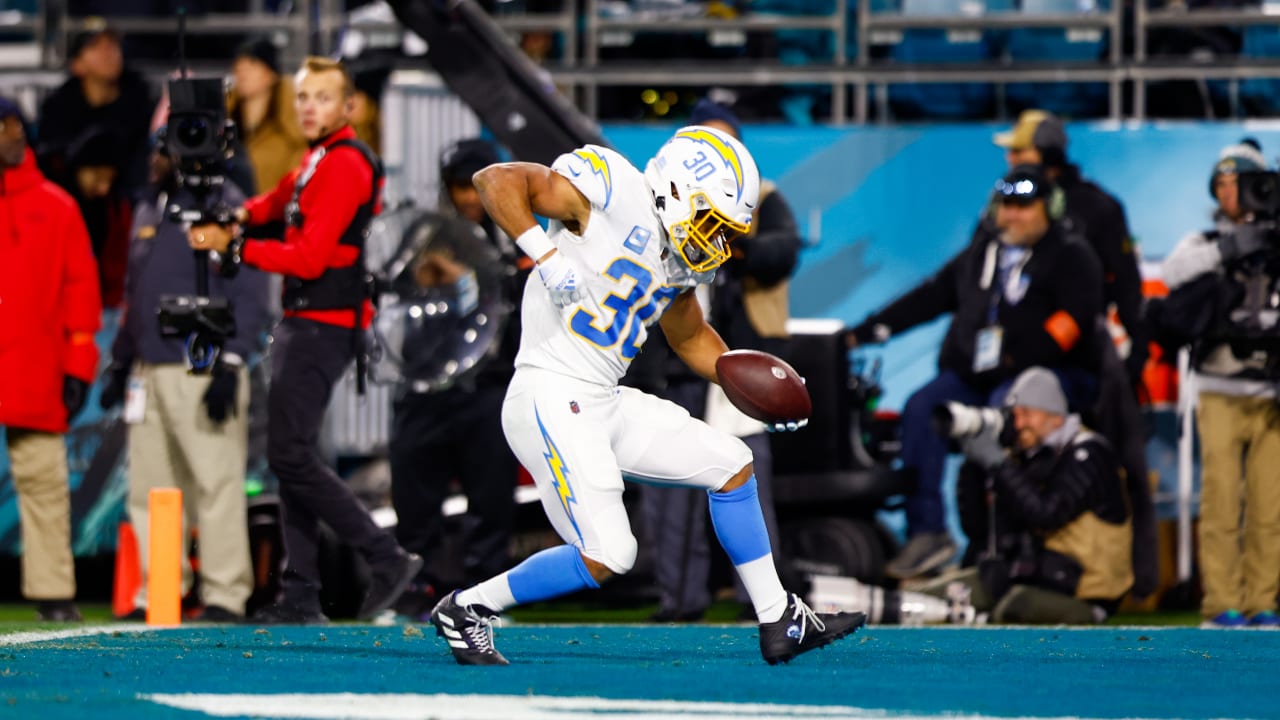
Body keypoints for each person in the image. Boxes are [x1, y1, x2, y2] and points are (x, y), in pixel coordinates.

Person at [427, 125, 865, 666]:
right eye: (712, 221)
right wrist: (543, 253)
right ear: (677, 191)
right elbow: (495, 180)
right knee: (610, 554)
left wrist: (741, 383)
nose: (717, 241)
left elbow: (689, 336)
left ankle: (779, 617)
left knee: (732, 462)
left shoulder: (678, 258)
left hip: (604, 398)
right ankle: (467, 607)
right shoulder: (612, 187)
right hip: (550, 392)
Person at [187, 56, 421, 624]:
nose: (308, 106)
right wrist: (239, 216)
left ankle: (384, 557)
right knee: (293, 458)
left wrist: (236, 247)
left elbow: (311, 256)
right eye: (302, 97)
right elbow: (275, 203)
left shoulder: (343, 164)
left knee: (289, 455)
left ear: (349, 107)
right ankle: (300, 591)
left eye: (321, 96)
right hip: (312, 321)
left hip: (323, 323)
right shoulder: (319, 158)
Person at [846, 164, 1105, 580]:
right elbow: (930, 296)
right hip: (974, 376)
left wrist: (1014, 360)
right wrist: (867, 331)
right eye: (1007, 205)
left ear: (1049, 209)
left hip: (1040, 378)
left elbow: (1070, 327)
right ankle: (928, 533)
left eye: (1024, 206)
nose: (1012, 215)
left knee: (1007, 410)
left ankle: (1001, 542)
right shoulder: (981, 252)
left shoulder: (1073, 256)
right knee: (922, 408)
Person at [640, 98, 802, 622]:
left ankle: (766, 603)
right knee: (670, 492)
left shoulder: (761, 202)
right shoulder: (659, 203)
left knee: (745, 481)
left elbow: (781, 254)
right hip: (678, 365)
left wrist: (727, 234)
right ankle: (678, 599)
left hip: (731, 363)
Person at [99, 132, 271, 623]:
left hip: (203, 364)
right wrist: (120, 359)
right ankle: (159, 591)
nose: (157, 160)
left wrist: (233, 362)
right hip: (148, 368)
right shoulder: (151, 208)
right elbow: (138, 292)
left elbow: (253, 291)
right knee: (152, 486)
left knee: (215, 482)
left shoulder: (228, 208)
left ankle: (224, 594)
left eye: (164, 152)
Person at [389, 138, 526, 617]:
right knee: (415, 495)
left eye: (476, 186)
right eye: (460, 187)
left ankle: (484, 595)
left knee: (491, 495)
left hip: (488, 385)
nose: (470, 198)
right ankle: (415, 590)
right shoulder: (429, 232)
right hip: (428, 384)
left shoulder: (514, 232)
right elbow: (403, 278)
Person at [1156, 139, 1280, 628]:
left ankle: (1264, 602)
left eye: (1241, 183)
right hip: (1221, 389)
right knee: (1222, 499)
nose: (1231, 194)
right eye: (1222, 184)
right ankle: (1221, 603)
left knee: (1270, 504)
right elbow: (1172, 272)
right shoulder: (1205, 242)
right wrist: (1230, 249)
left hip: (1272, 393)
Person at [923, 367, 1132, 624]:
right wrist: (974, 463)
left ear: (1055, 417)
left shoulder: (1088, 454)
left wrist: (999, 464)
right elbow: (976, 528)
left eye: (1027, 414)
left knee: (1005, 613)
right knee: (924, 602)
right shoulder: (1027, 457)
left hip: (1082, 596)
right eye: (1016, 415)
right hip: (1024, 581)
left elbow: (1046, 514)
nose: (1018, 423)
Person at [0, 96, 102, 622]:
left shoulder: (57, 206)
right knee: (43, 486)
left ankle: (55, 593)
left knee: (44, 487)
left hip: (34, 370)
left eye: (12, 125)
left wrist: (78, 367)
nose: (6, 135)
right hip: (26, 367)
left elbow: (80, 292)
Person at [992, 110, 1147, 392]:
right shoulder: (1003, 207)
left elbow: (1126, 283)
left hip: (1077, 360)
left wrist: (1138, 348)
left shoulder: (1098, 208)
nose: (1010, 158)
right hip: (1009, 360)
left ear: (1047, 155)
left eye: (1018, 151)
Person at [37, 20, 153, 199]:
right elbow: (50, 158)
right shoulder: (58, 106)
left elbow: (144, 159)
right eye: (95, 46)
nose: (108, 52)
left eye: (112, 45)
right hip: (73, 199)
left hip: (129, 200)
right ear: (76, 64)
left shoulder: (139, 100)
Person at [63, 125, 132, 309]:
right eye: (98, 177)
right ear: (81, 166)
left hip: (101, 307)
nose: (104, 188)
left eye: (110, 180)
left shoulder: (114, 207)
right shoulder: (54, 203)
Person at [228, 35, 307, 195]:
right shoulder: (228, 109)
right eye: (238, 67)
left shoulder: (290, 112)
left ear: (270, 73)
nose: (242, 73)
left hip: (278, 207)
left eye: (251, 66)